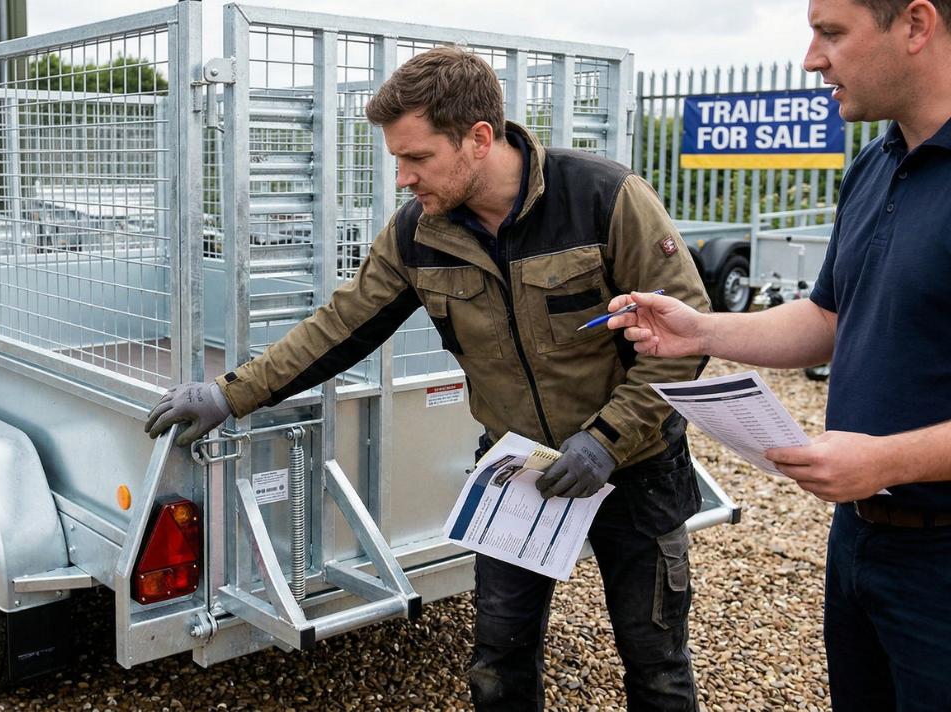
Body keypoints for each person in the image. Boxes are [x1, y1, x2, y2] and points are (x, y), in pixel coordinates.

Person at [146, 46, 711, 711]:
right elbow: (339, 325)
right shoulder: (420, 233)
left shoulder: (605, 198)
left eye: (417, 159)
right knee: (497, 665)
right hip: (519, 470)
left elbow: (685, 335)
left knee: (657, 666)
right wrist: (229, 392)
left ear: (478, 138)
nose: (404, 179)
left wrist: (607, 439)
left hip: (638, 469)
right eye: (397, 161)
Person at [606, 1, 951, 708]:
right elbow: (828, 316)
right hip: (858, 540)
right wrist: (700, 332)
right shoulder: (875, 167)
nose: (811, 59)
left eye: (831, 34)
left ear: (916, 25)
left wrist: (888, 461)